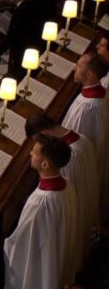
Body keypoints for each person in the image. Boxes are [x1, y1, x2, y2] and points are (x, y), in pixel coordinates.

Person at [3, 135, 77, 289]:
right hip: (55, 253)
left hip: (40, 262)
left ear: (45, 164)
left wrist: (7, 244)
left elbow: (23, 243)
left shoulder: (41, 202)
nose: (30, 153)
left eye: (34, 153)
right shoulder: (67, 184)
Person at [25, 114, 99, 268]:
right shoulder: (82, 139)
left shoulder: (69, 160)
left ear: (44, 134)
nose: (32, 151)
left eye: (37, 143)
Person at [61, 52, 109, 221]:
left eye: (80, 66)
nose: (75, 67)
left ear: (90, 75)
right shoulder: (97, 93)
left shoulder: (88, 107)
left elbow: (75, 147)